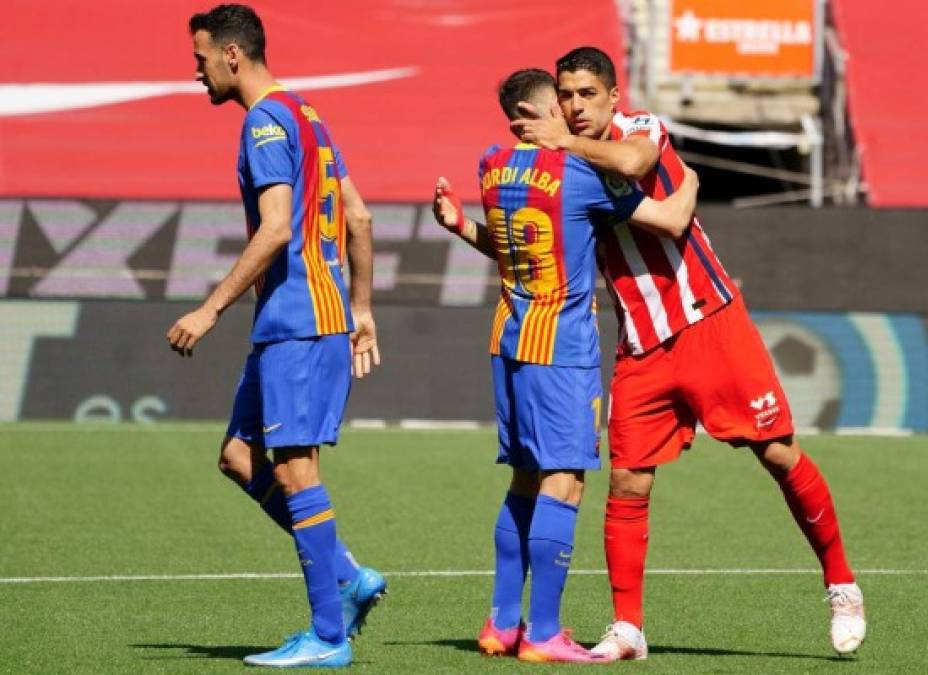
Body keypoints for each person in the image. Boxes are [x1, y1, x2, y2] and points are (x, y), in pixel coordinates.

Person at [510, 46, 866, 659]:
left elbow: (634, 160)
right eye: (566, 96)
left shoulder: (639, 128)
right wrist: (466, 229)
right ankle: (629, 627)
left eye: (587, 94)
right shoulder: (560, 164)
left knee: (778, 453)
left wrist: (565, 143)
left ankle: (841, 582)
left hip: (710, 322)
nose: (574, 106)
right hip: (641, 344)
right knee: (627, 480)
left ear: (614, 97)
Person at [432, 68, 700, 663]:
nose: (574, 113)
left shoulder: (491, 164)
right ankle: (545, 632)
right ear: (542, 113)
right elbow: (670, 220)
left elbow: (513, 247)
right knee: (565, 480)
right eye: (563, 104)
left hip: (508, 339)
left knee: (523, 477)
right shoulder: (579, 172)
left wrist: (461, 226)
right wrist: (693, 183)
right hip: (562, 349)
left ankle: (502, 623)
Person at [167, 4, 384, 668]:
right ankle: (345, 574)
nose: (195, 71)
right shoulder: (307, 115)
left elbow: (276, 228)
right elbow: (359, 214)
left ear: (232, 56)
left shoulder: (264, 122)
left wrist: (209, 309)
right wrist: (365, 307)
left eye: (200, 58)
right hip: (305, 316)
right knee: (240, 455)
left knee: (294, 468)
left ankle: (326, 633)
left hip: (299, 318)